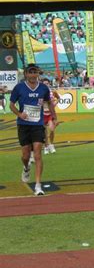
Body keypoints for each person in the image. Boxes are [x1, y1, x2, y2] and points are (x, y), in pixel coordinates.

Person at [9, 63, 56, 196]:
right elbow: (11, 104)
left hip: (38, 125)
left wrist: (54, 118)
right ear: (26, 74)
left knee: (37, 154)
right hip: (23, 125)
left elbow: (49, 103)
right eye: (31, 72)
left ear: (38, 74)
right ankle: (26, 167)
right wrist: (19, 114)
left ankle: (38, 186)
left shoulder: (43, 88)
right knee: (25, 156)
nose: (33, 75)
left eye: (35, 72)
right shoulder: (19, 88)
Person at [42, 78, 60, 154]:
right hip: (42, 114)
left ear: (49, 84)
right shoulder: (40, 93)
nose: (46, 84)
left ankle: (51, 145)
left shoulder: (52, 92)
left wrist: (54, 104)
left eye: (47, 83)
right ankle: (46, 147)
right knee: (44, 132)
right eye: (44, 83)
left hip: (50, 114)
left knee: (52, 129)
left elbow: (58, 98)